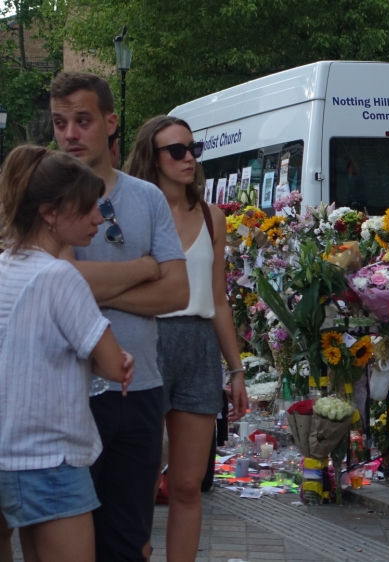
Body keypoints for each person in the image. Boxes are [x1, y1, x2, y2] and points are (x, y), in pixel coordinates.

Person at [50, 71, 190, 562]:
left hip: (143, 389)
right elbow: (64, 282)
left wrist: (91, 289)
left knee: (130, 540)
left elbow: (177, 291)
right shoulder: (48, 199)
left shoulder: (146, 197)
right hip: (73, 392)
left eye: (83, 120)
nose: (70, 134)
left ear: (110, 123)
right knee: (70, 542)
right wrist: (143, 269)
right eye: (60, 122)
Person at [0, 146, 136, 562]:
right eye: (87, 208)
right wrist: (115, 358)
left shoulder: (6, 265)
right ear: (50, 213)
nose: (99, 218)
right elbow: (115, 366)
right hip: (52, 457)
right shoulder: (61, 276)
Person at [124, 115, 248, 562]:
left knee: (187, 484)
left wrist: (236, 370)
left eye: (193, 149)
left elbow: (217, 297)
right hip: (148, 338)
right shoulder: (135, 213)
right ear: (152, 158)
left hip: (199, 346)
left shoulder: (213, 218)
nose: (189, 159)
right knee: (137, 484)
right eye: (176, 151)